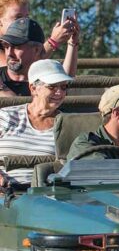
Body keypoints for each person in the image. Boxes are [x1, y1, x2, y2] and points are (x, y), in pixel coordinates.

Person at [0, 60, 73, 188]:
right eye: (52, 86)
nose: (60, 93)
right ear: (33, 88)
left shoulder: (68, 125)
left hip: (45, 197)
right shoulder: (6, 116)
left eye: (63, 87)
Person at [0, 18, 79, 97]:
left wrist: (72, 43)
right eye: (6, 47)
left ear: (36, 50)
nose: (9, 53)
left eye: (16, 47)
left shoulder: (46, 78)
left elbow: (65, 80)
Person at [0, 0, 79, 71]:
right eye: (18, 17)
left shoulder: (26, 43)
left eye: (26, 17)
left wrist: (72, 43)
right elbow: (16, 71)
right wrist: (53, 41)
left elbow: (65, 81)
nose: (23, 21)